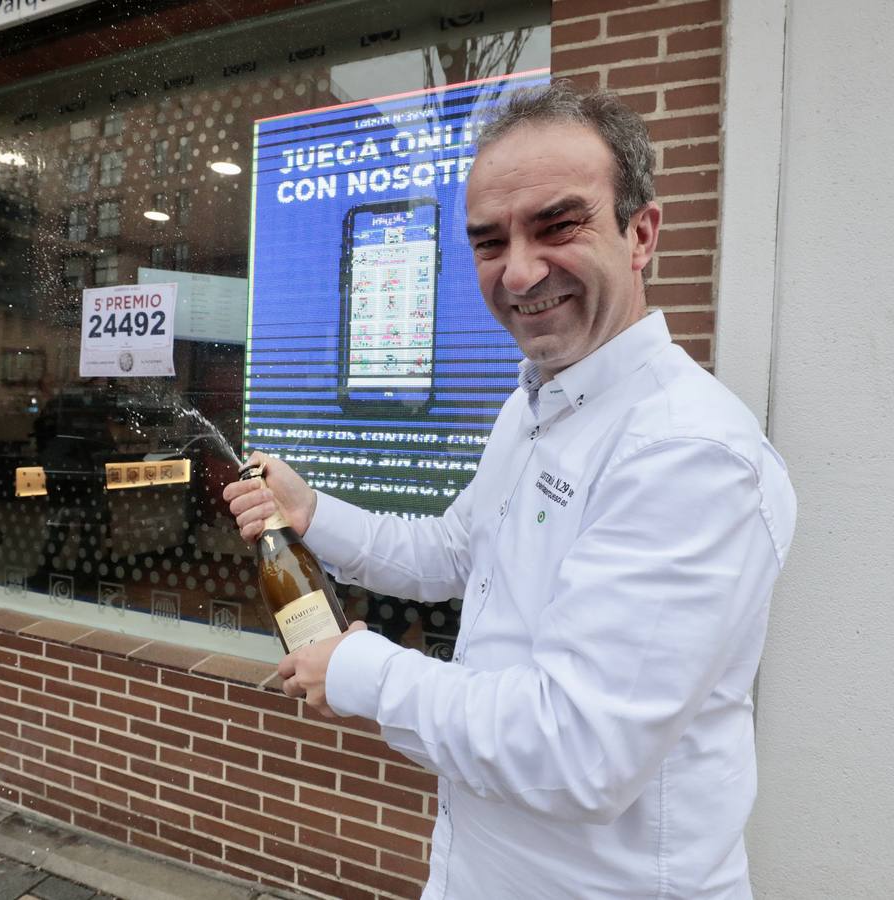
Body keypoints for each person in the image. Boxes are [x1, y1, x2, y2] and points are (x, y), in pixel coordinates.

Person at [224, 81, 796, 900]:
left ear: (641, 233)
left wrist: (361, 672)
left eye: (557, 225)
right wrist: (312, 513)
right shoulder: (537, 402)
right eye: (489, 242)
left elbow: (578, 749)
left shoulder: (687, 452)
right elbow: (456, 552)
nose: (520, 271)